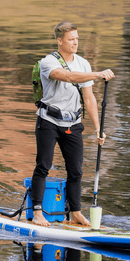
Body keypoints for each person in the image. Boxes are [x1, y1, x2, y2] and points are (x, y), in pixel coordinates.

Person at [31, 22, 115, 226]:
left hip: (73, 123)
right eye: (71, 39)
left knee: (76, 170)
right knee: (44, 165)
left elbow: (89, 97)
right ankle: (37, 212)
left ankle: (76, 212)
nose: (76, 42)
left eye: (77, 38)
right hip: (49, 121)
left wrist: (98, 128)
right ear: (60, 41)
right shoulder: (48, 62)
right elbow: (67, 77)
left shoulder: (83, 63)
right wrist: (97, 74)